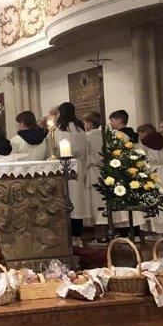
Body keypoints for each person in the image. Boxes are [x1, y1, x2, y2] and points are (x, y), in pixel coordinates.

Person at [54, 102, 88, 241]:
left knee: (68, 199)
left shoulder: (61, 130)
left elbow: (56, 149)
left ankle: (67, 236)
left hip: (65, 165)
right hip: (78, 164)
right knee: (77, 201)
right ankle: (77, 236)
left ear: (60, 113)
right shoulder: (80, 129)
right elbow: (84, 148)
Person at [83, 111, 104, 227]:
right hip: (102, 169)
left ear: (90, 123)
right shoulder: (102, 135)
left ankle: (97, 224)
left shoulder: (88, 136)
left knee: (94, 198)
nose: (85, 125)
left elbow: (85, 154)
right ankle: (104, 222)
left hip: (92, 170)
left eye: (85, 123)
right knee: (101, 197)